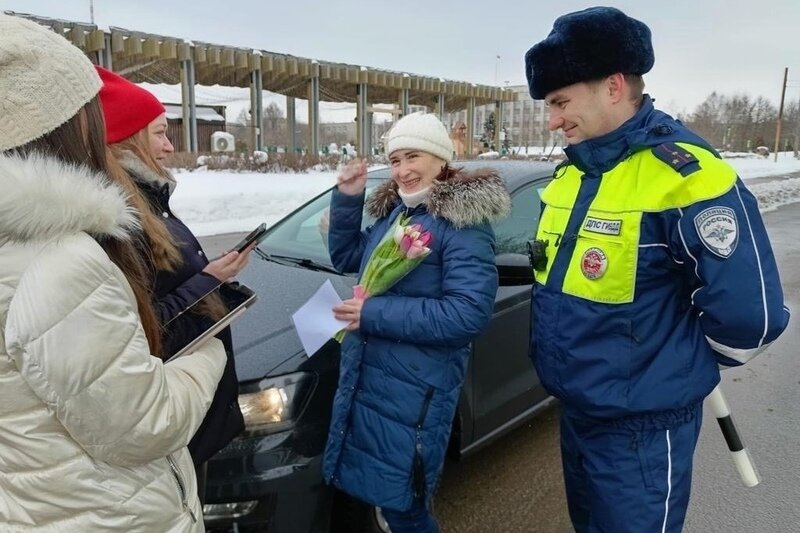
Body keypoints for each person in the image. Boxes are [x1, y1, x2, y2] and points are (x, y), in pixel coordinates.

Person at [523, 7, 790, 532]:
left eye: (559, 102)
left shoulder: (687, 175)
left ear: (614, 86)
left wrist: (673, 365)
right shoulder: (572, 175)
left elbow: (752, 318)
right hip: (579, 415)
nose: (552, 120)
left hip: (643, 431)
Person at [0, 14, 226, 531]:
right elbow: (144, 424)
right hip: (109, 512)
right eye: (89, 114)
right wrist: (212, 344)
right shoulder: (59, 260)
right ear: (67, 127)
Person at [322, 112, 512, 532]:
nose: (403, 170)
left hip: (416, 388)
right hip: (377, 377)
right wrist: (349, 200)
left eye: (413, 157)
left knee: (405, 504)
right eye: (394, 160)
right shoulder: (400, 214)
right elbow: (350, 259)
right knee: (387, 498)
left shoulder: (463, 224)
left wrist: (371, 314)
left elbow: (467, 313)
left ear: (440, 158)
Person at [94, 67, 248, 487]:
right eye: (159, 133)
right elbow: (143, 332)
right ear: (127, 140)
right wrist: (209, 280)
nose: (169, 145)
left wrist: (210, 278)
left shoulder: (148, 202)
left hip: (187, 415)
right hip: (171, 425)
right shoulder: (118, 223)